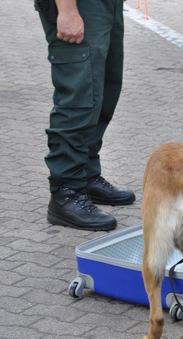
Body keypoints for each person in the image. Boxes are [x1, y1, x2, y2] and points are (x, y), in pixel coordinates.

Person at [37, 0, 135, 231]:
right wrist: (67, 10)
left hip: (105, 6)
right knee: (79, 100)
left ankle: (86, 175)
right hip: (79, 5)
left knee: (103, 94)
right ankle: (66, 193)